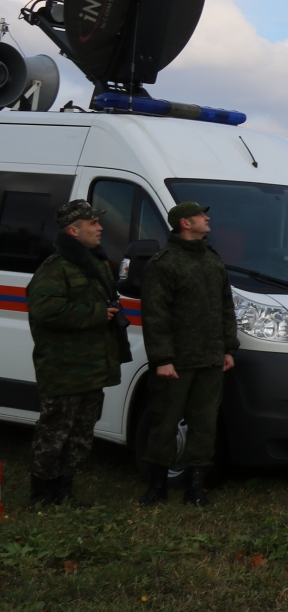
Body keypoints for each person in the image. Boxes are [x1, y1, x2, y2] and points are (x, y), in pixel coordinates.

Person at [26, 200, 126, 506]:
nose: (100, 228)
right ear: (73, 230)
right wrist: (97, 313)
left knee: (80, 435)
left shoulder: (94, 262)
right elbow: (45, 311)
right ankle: (42, 495)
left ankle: (64, 491)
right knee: (54, 433)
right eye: (93, 223)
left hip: (92, 366)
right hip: (64, 367)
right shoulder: (55, 268)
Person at [139, 201, 238, 507]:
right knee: (165, 422)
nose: (206, 218)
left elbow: (225, 307)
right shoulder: (163, 263)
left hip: (209, 358)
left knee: (205, 423)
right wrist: (163, 358)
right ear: (184, 223)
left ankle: (196, 487)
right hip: (178, 361)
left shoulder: (212, 259)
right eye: (199, 215)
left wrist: (227, 348)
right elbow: (155, 315)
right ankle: (157, 486)